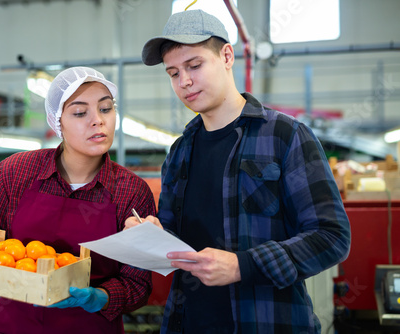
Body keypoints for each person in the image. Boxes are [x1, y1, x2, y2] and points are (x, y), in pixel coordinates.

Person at [124, 9, 351, 334]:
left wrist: (244, 266)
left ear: (227, 55)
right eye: (173, 73)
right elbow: (175, 239)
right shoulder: (179, 152)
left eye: (194, 65)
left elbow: (331, 236)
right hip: (188, 322)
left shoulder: (284, 136)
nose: (184, 81)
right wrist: (150, 233)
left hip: (266, 323)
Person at [0, 66, 156, 333]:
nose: (98, 120)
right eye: (80, 112)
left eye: (106, 109)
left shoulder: (131, 191)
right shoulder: (15, 173)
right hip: (14, 324)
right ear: (57, 122)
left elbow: (138, 284)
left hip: (89, 326)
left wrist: (99, 297)